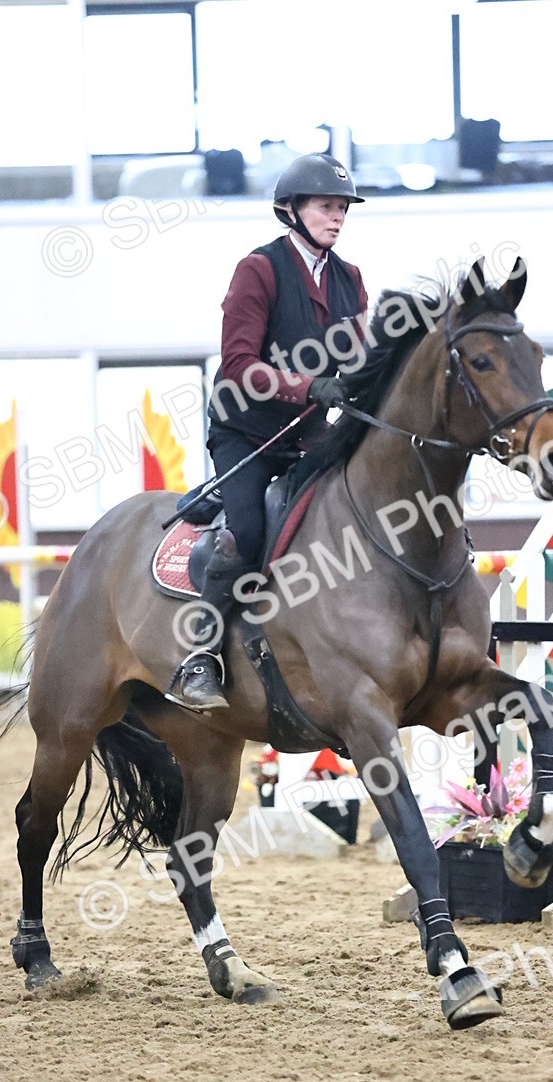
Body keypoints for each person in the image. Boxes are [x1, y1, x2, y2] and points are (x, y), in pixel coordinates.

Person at [167, 153, 368, 712]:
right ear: (292, 210)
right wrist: (308, 388)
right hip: (246, 433)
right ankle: (201, 654)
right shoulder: (258, 270)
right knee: (247, 531)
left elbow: (362, 360)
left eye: (342, 209)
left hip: (307, 433)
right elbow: (237, 364)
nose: (337, 217)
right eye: (327, 207)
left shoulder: (349, 279)